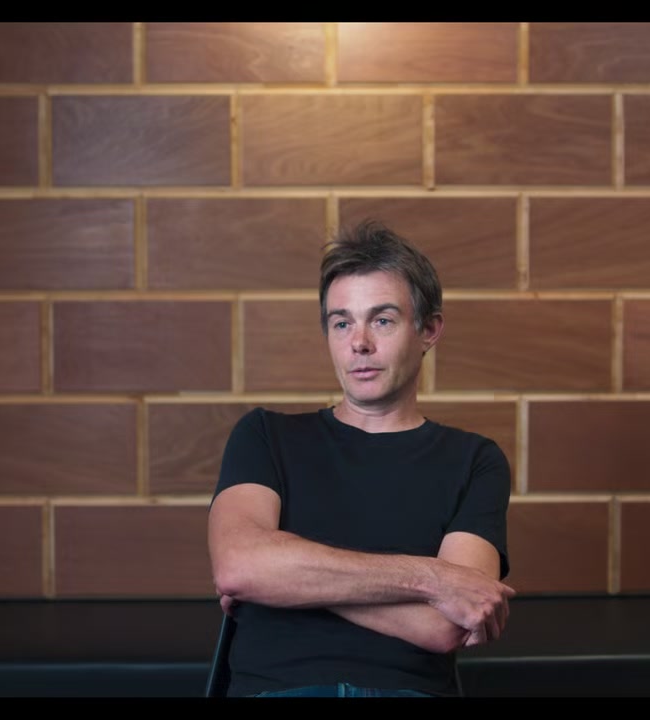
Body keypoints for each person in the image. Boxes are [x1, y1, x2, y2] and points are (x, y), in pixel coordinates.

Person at [206, 219, 515, 698]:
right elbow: (239, 566)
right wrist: (433, 578)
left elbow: (447, 625)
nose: (359, 342)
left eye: (382, 320)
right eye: (342, 322)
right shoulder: (265, 436)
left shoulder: (475, 461)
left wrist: (287, 579)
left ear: (428, 329)